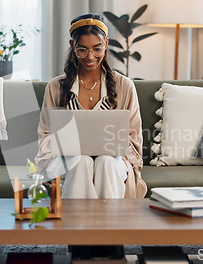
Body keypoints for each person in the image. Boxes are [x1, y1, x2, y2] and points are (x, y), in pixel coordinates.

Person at [35, 13, 146, 199]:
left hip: (113, 159)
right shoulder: (55, 87)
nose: (90, 56)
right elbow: (45, 135)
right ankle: (75, 225)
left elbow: (134, 137)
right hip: (66, 159)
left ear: (106, 44)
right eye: (82, 50)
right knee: (81, 162)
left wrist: (109, 145)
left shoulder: (125, 86)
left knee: (106, 162)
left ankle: (109, 225)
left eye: (97, 49)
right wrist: (70, 145)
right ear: (72, 46)